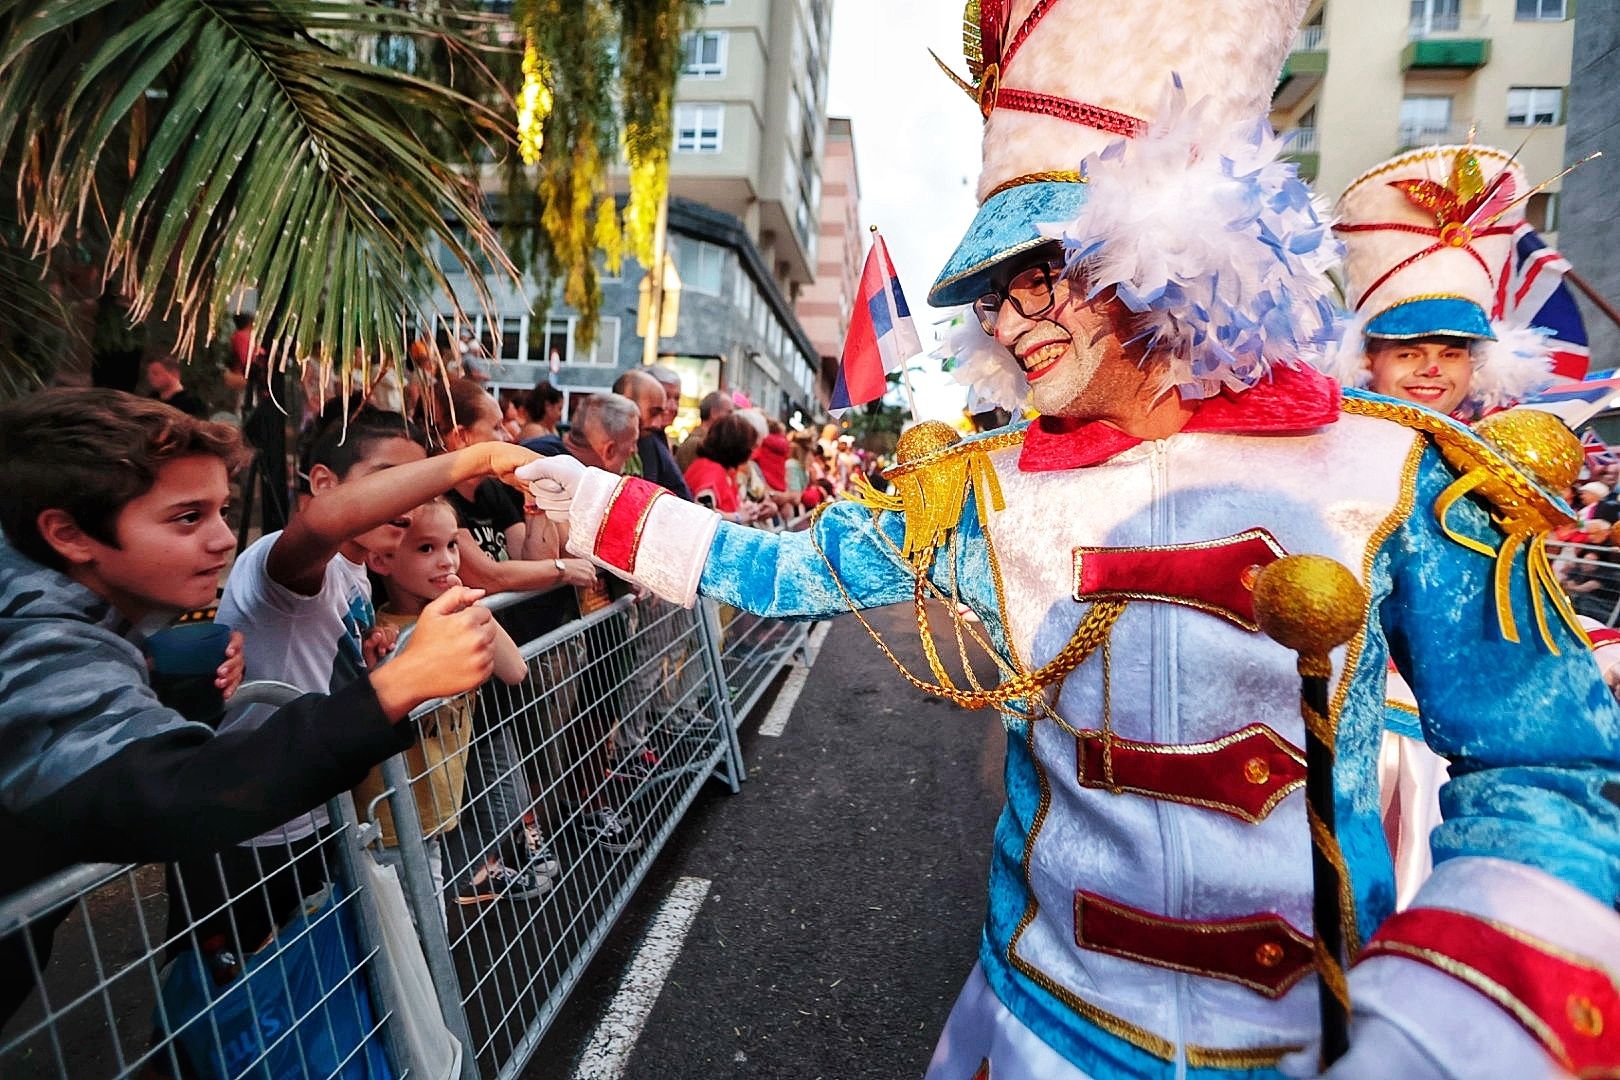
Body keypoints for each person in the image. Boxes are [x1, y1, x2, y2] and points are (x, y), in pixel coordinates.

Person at [520, 3, 1620, 1076]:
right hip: (1045, 1029)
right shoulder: (975, 492)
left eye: (1035, 274)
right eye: (992, 293)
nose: (1002, 319)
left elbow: (1546, 759)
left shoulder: (1397, 473)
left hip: (1321, 1045)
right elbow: (779, 568)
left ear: (1169, 245)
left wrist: (1450, 1015)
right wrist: (567, 490)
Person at [0, 389, 501, 1021]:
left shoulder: (77, 609)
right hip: (253, 835)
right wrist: (399, 686)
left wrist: (171, 682)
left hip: (291, 814)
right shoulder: (31, 634)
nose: (219, 541)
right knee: (216, 1005)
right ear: (68, 533)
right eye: (187, 518)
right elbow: (160, 793)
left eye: (221, 511)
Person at [213, 406, 546, 916]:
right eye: (393, 481)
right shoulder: (279, 561)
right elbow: (323, 523)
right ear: (324, 483)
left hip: (322, 813)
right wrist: (471, 460)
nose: (409, 502)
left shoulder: (357, 571)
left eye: (415, 483)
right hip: (257, 830)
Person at [359, 499, 530, 909]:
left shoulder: (456, 617)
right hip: (392, 820)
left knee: (427, 920)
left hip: (436, 811)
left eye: (452, 545)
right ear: (383, 560)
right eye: (426, 549)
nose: (446, 561)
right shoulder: (385, 636)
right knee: (415, 930)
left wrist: (469, 605)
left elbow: (514, 670)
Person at [1317, 144, 1559, 422]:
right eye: (1408, 354)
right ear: (1363, 358)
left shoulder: (1494, 455)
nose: (1432, 369)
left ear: (1475, 366)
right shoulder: (1319, 449)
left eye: (1451, 355)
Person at [614, 368, 692, 499]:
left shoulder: (652, 437)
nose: (672, 407)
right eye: (666, 397)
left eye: (677, 398)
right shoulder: (646, 438)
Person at [682, 414, 766, 524]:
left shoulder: (713, 467)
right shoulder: (712, 472)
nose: (752, 452)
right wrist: (738, 517)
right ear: (738, 447)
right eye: (751, 446)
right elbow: (703, 511)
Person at [674, 390, 733, 472]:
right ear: (714, 413)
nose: (732, 418)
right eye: (729, 413)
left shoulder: (708, 442)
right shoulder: (696, 444)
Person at [143, 354, 210, 419]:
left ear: (174, 373)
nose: (150, 378)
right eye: (149, 374)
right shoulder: (151, 400)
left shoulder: (193, 404)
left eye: (155, 373)